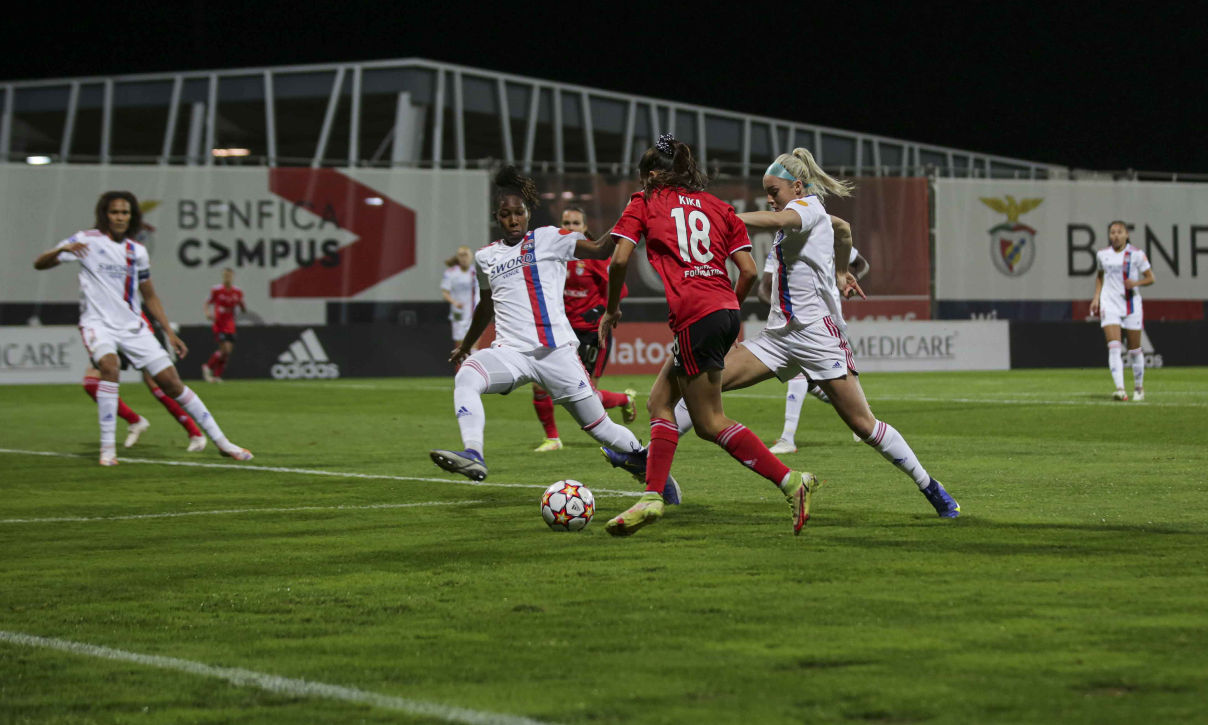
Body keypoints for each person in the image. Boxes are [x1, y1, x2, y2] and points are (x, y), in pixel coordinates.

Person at [670, 148, 958, 519]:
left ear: (798, 187)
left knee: (863, 425)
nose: (770, 199)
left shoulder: (806, 209)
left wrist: (722, 216)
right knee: (705, 383)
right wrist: (840, 271)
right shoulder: (816, 216)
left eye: (774, 191)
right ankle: (649, 462)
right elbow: (844, 230)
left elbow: (784, 220)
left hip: (818, 337)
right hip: (778, 337)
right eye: (767, 193)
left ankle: (930, 486)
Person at [597, 134, 815, 537]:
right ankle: (653, 494)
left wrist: (611, 310)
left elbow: (619, 260)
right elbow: (748, 271)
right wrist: (725, 311)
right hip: (724, 309)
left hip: (695, 313)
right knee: (661, 401)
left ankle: (790, 481)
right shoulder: (718, 207)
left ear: (650, 175)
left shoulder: (643, 202)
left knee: (709, 421)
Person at [428, 167, 679, 504]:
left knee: (601, 429)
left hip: (556, 353)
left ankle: (647, 466)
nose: (513, 220)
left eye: (519, 213)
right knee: (467, 377)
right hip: (510, 353)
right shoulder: (486, 258)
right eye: (506, 214)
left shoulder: (550, 237)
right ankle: (474, 453)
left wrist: (634, 208)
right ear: (496, 217)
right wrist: (467, 347)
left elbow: (603, 249)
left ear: (528, 213)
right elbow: (485, 306)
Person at [33, 190, 253, 465]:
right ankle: (107, 451)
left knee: (172, 384)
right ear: (105, 214)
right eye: (114, 212)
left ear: (132, 216)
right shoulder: (85, 240)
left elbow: (149, 295)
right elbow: (39, 264)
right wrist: (60, 250)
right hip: (97, 324)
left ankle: (222, 442)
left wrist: (168, 332)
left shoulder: (136, 251)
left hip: (133, 327)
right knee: (109, 367)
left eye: (125, 212)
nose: (120, 217)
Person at [530, 207, 636, 453]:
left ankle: (623, 400)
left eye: (575, 223)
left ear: (584, 228)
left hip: (591, 332)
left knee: (588, 394)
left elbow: (620, 289)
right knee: (538, 384)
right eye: (566, 222)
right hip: (560, 331)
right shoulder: (555, 255)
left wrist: (601, 310)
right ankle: (553, 438)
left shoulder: (593, 255)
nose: (570, 226)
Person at [760, 237, 869, 453]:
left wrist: (845, 279)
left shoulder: (826, 237)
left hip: (824, 319)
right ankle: (862, 416)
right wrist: (779, 302)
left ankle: (787, 439)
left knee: (807, 376)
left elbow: (862, 264)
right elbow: (763, 288)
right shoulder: (780, 245)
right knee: (811, 381)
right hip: (793, 320)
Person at [1089, 221, 1154, 401]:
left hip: (1131, 304)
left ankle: (1139, 387)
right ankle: (1120, 389)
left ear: (1126, 234)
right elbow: (1100, 276)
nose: (1115, 235)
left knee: (1134, 350)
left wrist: (1136, 283)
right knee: (1114, 347)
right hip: (1109, 304)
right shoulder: (1102, 254)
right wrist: (1096, 298)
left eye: (1119, 232)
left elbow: (1150, 278)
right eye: (1112, 232)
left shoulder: (1136, 254)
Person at [82, 364, 206, 452]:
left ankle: (195, 434)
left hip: (137, 334)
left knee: (160, 385)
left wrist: (169, 334)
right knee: (92, 383)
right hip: (112, 333)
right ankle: (135, 421)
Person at [201, 268, 245, 383]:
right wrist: (207, 313)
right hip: (219, 324)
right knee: (224, 348)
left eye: (229, 276)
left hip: (230, 325)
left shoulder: (237, 292)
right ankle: (208, 367)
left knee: (227, 352)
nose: (227, 278)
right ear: (223, 277)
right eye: (225, 275)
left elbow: (242, 305)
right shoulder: (216, 290)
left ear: (233, 277)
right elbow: (207, 303)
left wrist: (243, 308)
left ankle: (216, 376)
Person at [441, 246, 479, 349]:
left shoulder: (476, 272)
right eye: (461, 255)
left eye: (465, 255)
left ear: (471, 257)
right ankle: (463, 362)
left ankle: (472, 360)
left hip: (474, 312)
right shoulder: (450, 273)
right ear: (457, 257)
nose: (463, 258)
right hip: (458, 313)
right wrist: (454, 302)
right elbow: (445, 292)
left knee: (474, 342)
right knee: (460, 344)